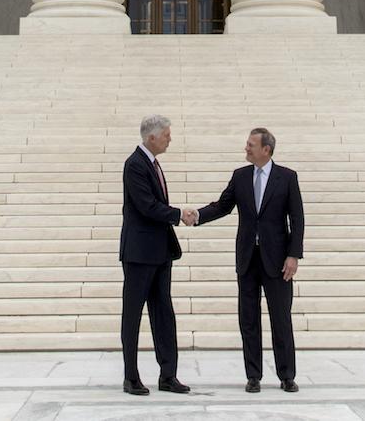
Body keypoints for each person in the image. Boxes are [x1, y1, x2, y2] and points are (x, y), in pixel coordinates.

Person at [193, 127, 305, 393]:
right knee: (249, 319)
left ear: (266, 149)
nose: (246, 148)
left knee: (281, 318)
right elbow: (222, 206)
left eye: (251, 145)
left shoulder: (287, 177)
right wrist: (196, 215)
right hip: (247, 258)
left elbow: (297, 218)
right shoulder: (240, 176)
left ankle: (286, 375)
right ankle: (253, 375)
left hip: (277, 261)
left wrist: (294, 255)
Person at [120, 114, 191, 395]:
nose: (170, 138)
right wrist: (178, 214)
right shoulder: (135, 165)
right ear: (152, 137)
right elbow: (147, 206)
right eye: (166, 134)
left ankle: (168, 374)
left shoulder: (153, 163)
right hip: (139, 254)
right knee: (133, 315)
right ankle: (131, 376)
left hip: (160, 252)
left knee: (164, 313)